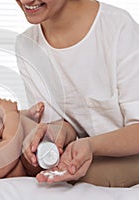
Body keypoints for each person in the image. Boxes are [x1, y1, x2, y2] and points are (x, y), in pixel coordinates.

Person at [15, 0, 139, 187]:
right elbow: (66, 123)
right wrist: (54, 132)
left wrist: (91, 145)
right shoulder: (27, 45)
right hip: (88, 153)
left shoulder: (118, 28)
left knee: (84, 179)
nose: (25, 1)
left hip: (132, 152)